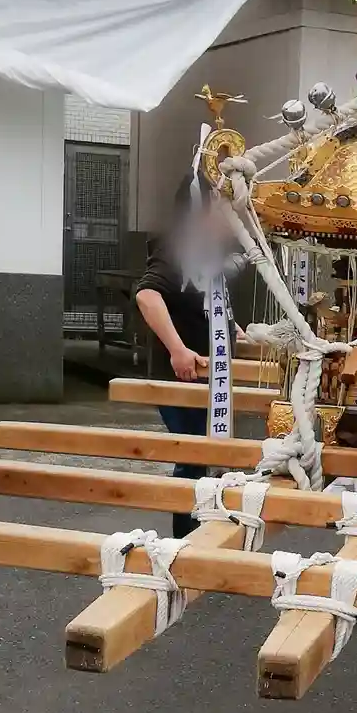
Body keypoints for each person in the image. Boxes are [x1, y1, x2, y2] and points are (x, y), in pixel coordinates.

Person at [134, 178, 224, 538]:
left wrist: (232, 329)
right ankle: (185, 542)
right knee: (191, 457)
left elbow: (201, 301)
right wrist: (177, 349)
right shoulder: (176, 247)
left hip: (207, 375)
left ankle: (199, 536)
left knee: (202, 457)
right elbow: (147, 295)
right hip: (183, 377)